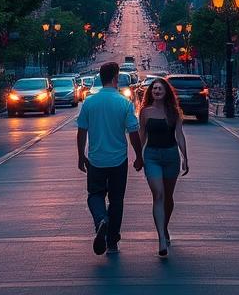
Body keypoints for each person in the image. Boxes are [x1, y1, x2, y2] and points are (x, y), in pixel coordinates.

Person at [76, 62, 143, 256]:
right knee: (116, 200)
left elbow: (82, 132)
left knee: (95, 195)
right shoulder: (124, 103)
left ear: (100, 78)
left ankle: (100, 220)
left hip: (96, 158)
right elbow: (133, 133)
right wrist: (139, 156)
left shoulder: (89, 102)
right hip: (118, 160)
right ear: (115, 78)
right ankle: (112, 241)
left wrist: (81, 156)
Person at [138, 78, 188, 258]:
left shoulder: (174, 112)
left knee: (168, 197)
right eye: (154, 89)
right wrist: (138, 156)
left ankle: (164, 228)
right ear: (150, 92)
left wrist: (185, 157)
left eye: (160, 88)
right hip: (151, 156)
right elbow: (142, 134)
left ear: (166, 92)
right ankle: (161, 238)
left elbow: (180, 136)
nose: (157, 91)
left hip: (171, 156)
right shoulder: (145, 112)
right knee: (158, 194)